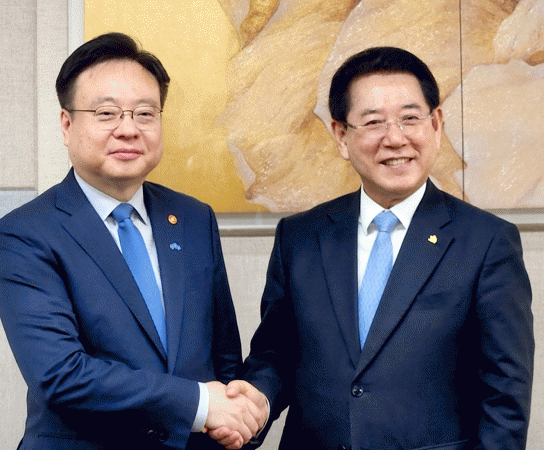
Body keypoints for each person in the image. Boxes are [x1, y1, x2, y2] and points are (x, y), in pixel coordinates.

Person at [221, 47, 534, 450]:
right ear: (341, 135)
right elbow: (275, 354)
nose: (395, 138)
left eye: (410, 118)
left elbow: (505, 397)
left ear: (436, 124)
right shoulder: (300, 237)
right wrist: (254, 406)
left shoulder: (487, 242)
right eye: (373, 122)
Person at [0, 32, 264, 450]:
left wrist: (237, 422)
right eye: (106, 113)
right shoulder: (27, 232)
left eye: (144, 114)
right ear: (67, 124)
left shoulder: (193, 218)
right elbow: (60, 375)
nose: (128, 130)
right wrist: (198, 405)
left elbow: (223, 358)